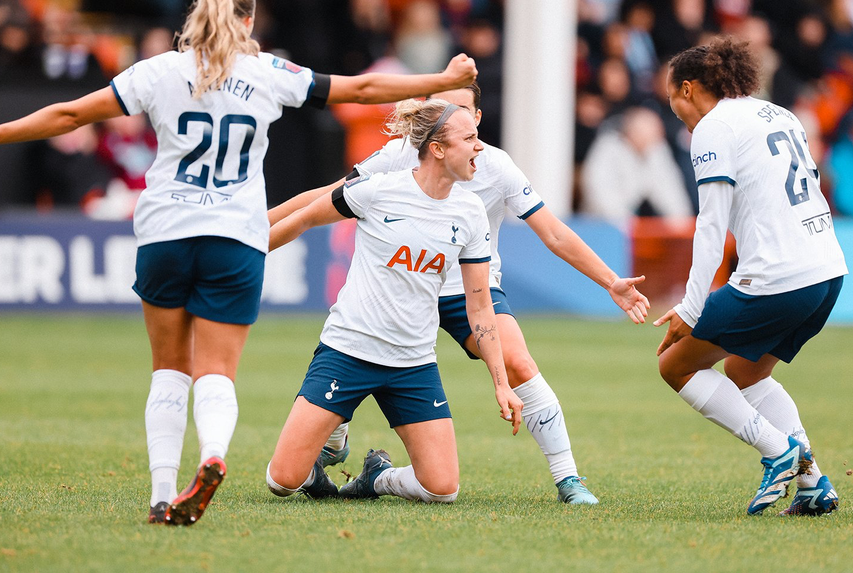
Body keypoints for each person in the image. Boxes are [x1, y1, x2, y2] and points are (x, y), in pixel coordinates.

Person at [0, 0, 478, 526]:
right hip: (234, 240)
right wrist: (441, 77)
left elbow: (71, 114)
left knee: (168, 371)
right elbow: (358, 89)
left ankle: (161, 494)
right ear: (249, 20)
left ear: (198, 13)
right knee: (217, 372)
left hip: (167, 232)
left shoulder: (161, 70)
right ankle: (214, 456)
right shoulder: (267, 73)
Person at [268, 81, 650, 504]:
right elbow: (321, 202)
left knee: (515, 365)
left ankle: (567, 479)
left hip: (450, 304)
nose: (475, 143)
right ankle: (333, 438)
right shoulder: (393, 165)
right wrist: (248, 238)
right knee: (287, 472)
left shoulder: (489, 177)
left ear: (477, 117)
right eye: (455, 123)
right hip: (377, 315)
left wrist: (610, 281)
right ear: (434, 140)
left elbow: (545, 243)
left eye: (469, 123)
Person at [265, 98, 522, 505]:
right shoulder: (377, 190)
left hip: (413, 364)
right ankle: (325, 449)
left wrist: (501, 384)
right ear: (437, 149)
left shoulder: (471, 212)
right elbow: (304, 218)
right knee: (282, 481)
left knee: (443, 490)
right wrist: (245, 254)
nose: (480, 147)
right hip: (348, 351)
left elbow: (480, 307)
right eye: (470, 138)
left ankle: (377, 477)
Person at [654, 38, 847, 516]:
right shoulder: (779, 114)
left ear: (687, 87)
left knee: (675, 365)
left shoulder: (713, 128)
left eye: (672, 97)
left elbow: (711, 226)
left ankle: (779, 451)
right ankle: (813, 484)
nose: (674, 109)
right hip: (827, 272)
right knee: (744, 370)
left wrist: (692, 308)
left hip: (777, 278)